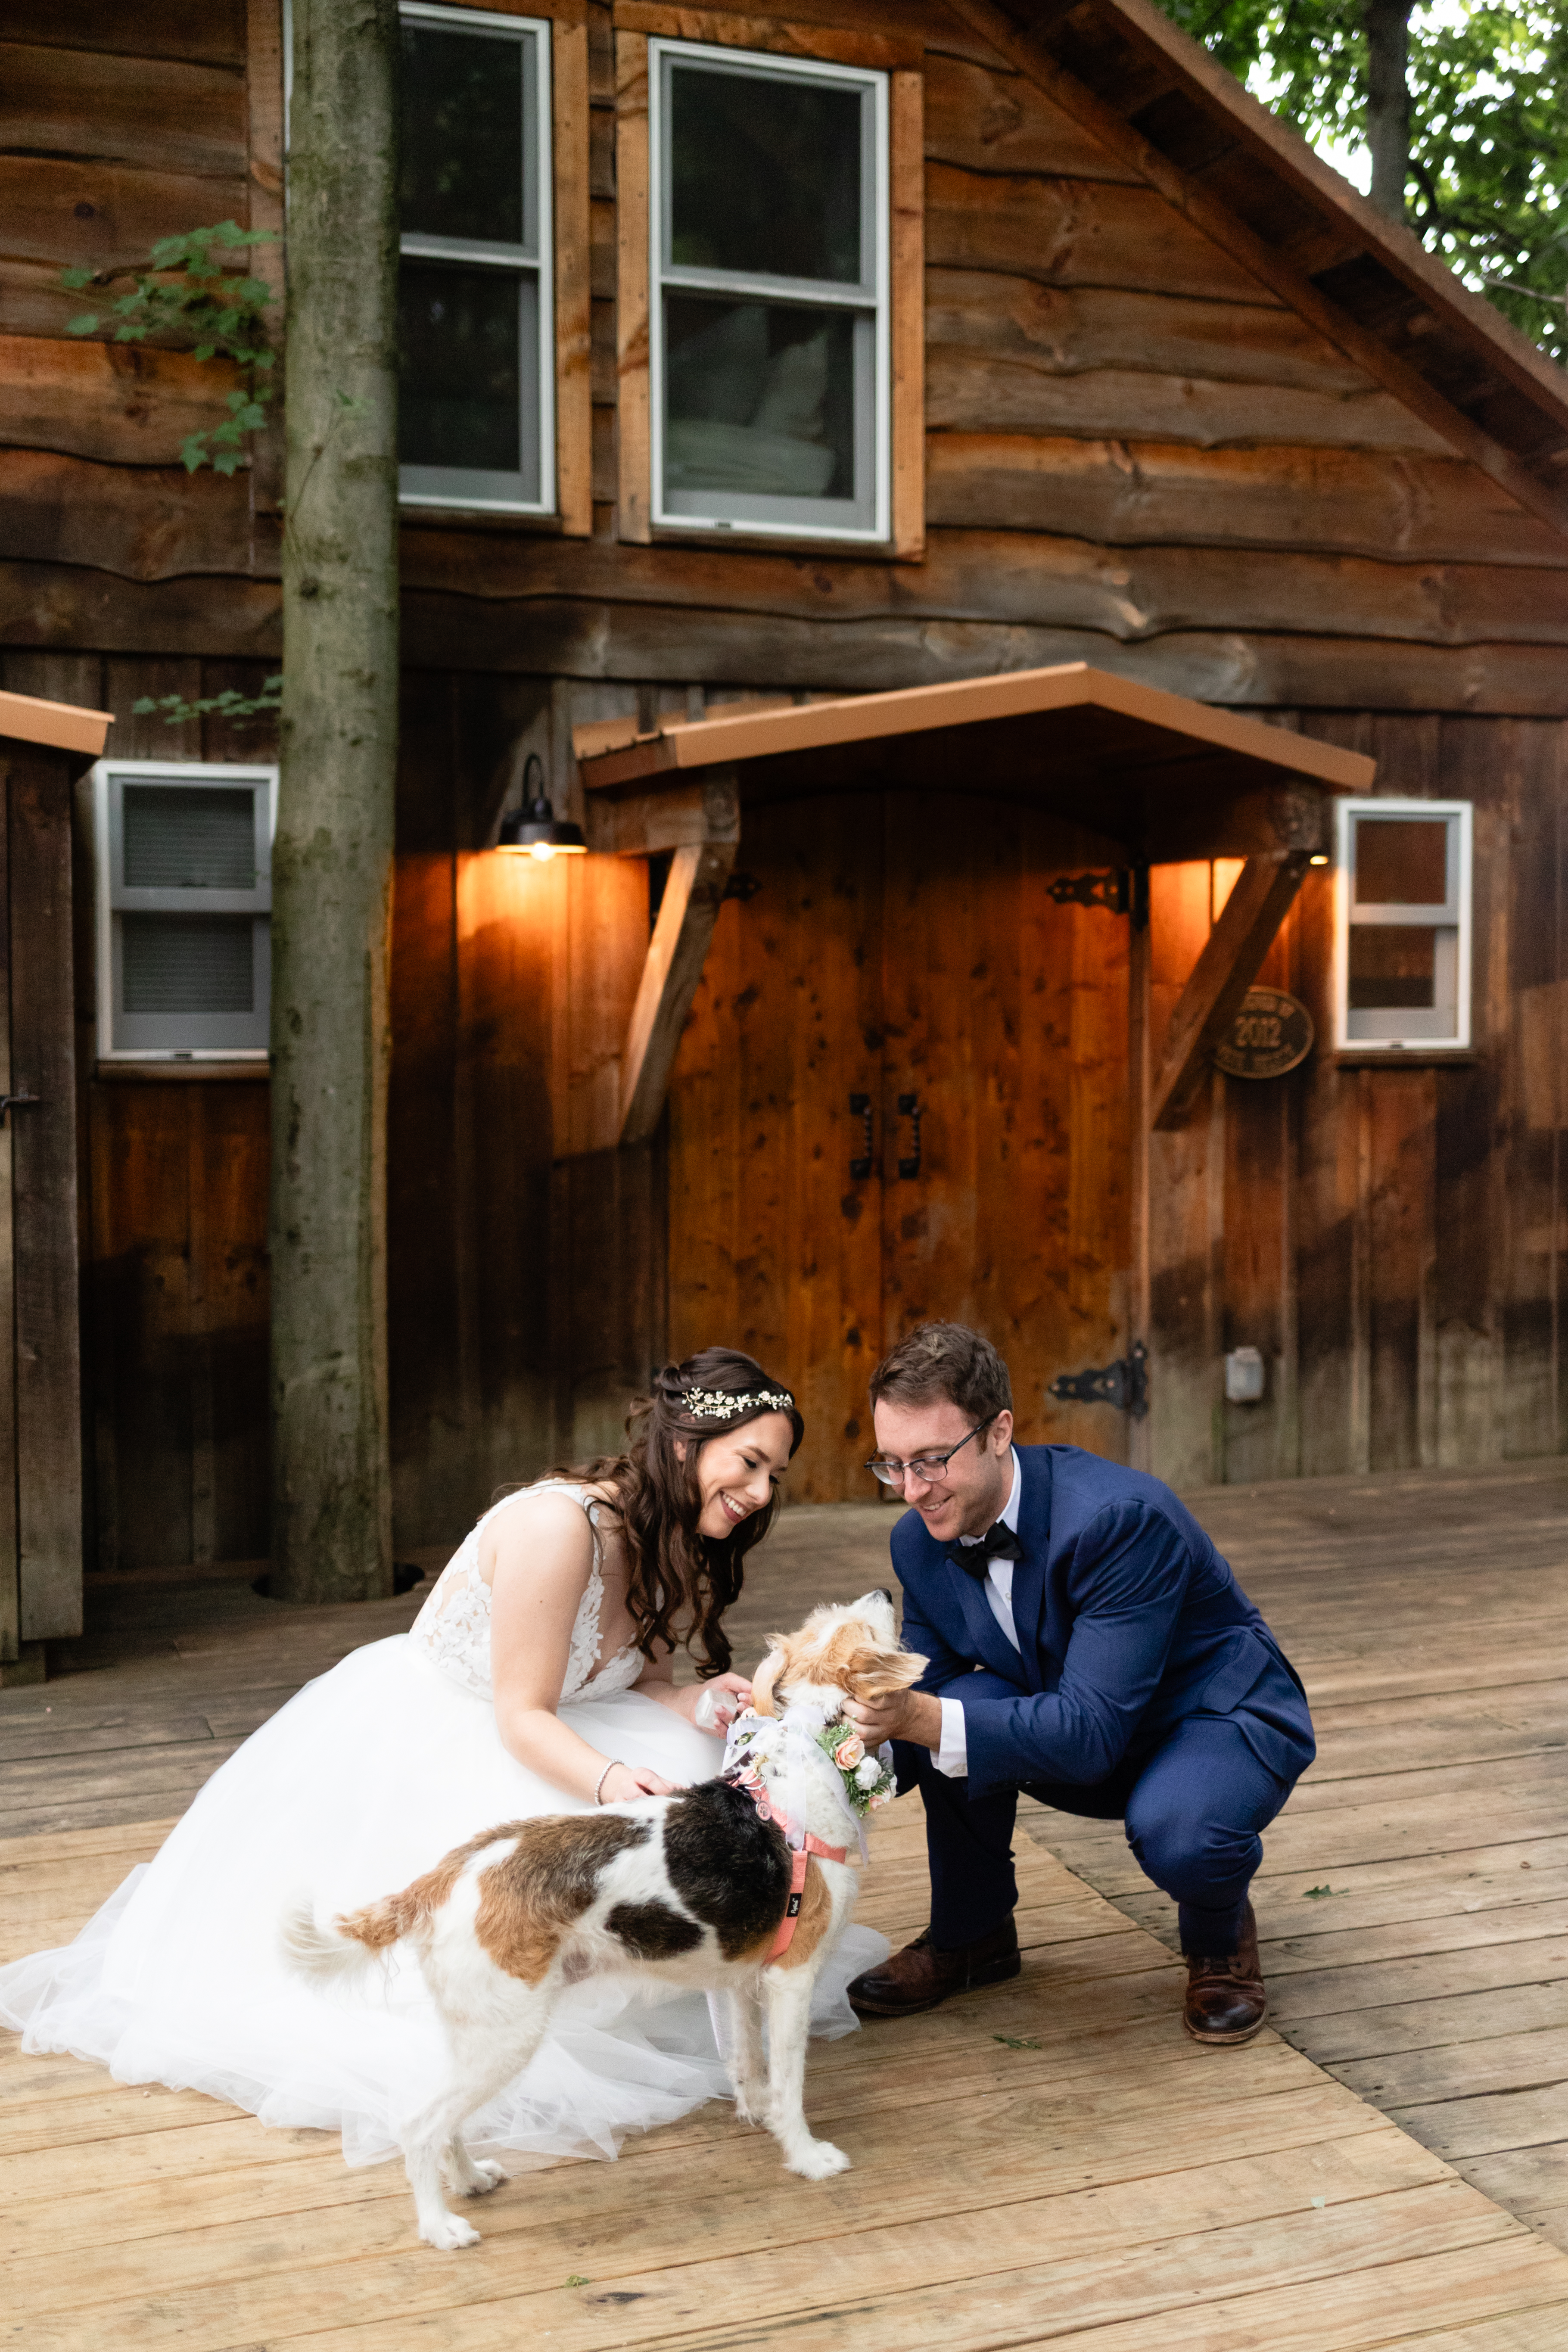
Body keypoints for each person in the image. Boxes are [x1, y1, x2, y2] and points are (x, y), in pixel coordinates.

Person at [0, 1350, 885, 2167]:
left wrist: (691, 1701)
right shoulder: (559, 1526)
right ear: (688, 1441)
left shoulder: (669, 1533)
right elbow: (522, 1716)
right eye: (749, 1462)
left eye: (775, 1473)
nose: (762, 1491)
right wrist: (616, 1783)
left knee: (699, 1763)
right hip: (457, 1729)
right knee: (563, 1874)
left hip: (572, 1713)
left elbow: (636, 1675)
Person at [840, 1322, 1314, 2044]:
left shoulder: (1118, 1520)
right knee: (952, 1712)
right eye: (892, 1465)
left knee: (1178, 1831)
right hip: (1075, 1719)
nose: (911, 1490)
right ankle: (974, 1937)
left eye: (934, 1460)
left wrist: (915, 1717)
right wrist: (807, 1759)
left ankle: (1219, 1942)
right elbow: (915, 1701)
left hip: (1211, 1717)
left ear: (1000, 1432)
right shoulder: (920, 1541)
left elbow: (1087, 1735)